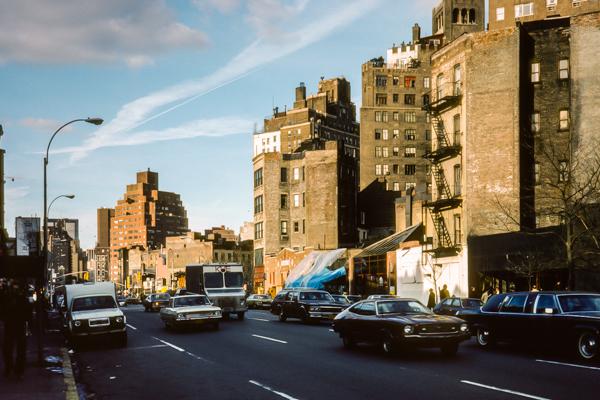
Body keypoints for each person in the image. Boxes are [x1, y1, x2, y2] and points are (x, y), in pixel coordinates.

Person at [2, 278, 32, 379]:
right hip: (17, 324)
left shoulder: (8, 296)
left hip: (12, 324)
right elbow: (28, 312)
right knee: (17, 349)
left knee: (10, 348)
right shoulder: (20, 297)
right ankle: (16, 370)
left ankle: (12, 369)